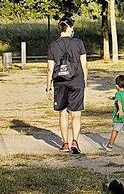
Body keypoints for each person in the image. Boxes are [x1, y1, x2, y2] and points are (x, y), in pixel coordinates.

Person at [46, 16, 89, 154]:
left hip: (60, 82)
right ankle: (75, 141)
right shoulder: (78, 43)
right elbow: (84, 64)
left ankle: (65, 143)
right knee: (76, 113)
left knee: (63, 113)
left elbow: (49, 68)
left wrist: (48, 87)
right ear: (69, 27)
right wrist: (85, 80)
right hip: (77, 81)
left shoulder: (53, 45)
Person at [104, 74, 124, 152]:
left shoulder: (118, 94)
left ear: (117, 86)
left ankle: (110, 146)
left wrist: (120, 110)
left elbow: (119, 101)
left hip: (120, 116)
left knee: (115, 131)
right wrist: (114, 98)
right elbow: (122, 98)